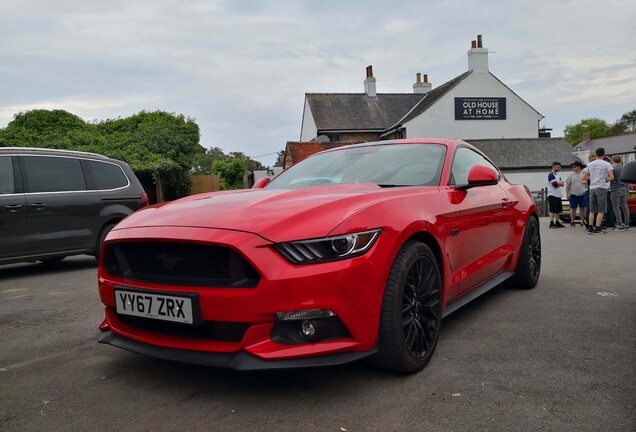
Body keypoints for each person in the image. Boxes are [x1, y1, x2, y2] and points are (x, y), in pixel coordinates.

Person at [582, 148, 614, 235]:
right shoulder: (607, 164)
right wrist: (606, 179)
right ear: (603, 154)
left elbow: (585, 177)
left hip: (592, 187)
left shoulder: (591, 164)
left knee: (592, 209)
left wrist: (593, 178)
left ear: (596, 154)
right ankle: (598, 228)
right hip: (601, 187)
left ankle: (590, 227)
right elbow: (611, 177)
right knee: (601, 209)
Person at [610, 155, 630, 230]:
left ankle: (619, 224)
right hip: (624, 188)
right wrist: (627, 189)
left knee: (616, 207)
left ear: (613, 161)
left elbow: (610, 178)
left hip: (615, 189)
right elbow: (627, 180)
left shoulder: (613, 169)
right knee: (625, 206)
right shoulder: (625, 168)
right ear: (620, 160)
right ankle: (627, 224)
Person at [565, 161, 587, 227]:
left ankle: (582, 221)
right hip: (573, 194)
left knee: (582, 208)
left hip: (583, 193)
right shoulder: (571, 175)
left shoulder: (584, 174)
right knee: (573, 208)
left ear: (579, 167)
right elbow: (567, 185)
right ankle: (572, 221)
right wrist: (567, 194)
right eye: (572, 167)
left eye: (574, 166)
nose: (573, 168)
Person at [547, 161, 565, 228]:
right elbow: (554, 184)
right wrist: (559, 183)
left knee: (557, 210)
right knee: (552, 210)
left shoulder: (558, 176)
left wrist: (560, 183)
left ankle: (557, 222)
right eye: (558, 167)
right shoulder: (550, 175)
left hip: (558, 194)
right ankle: (551, 223)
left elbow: (562, 184)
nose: (559, 168)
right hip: (552, 194)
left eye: (559, 167)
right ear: (554, 167)